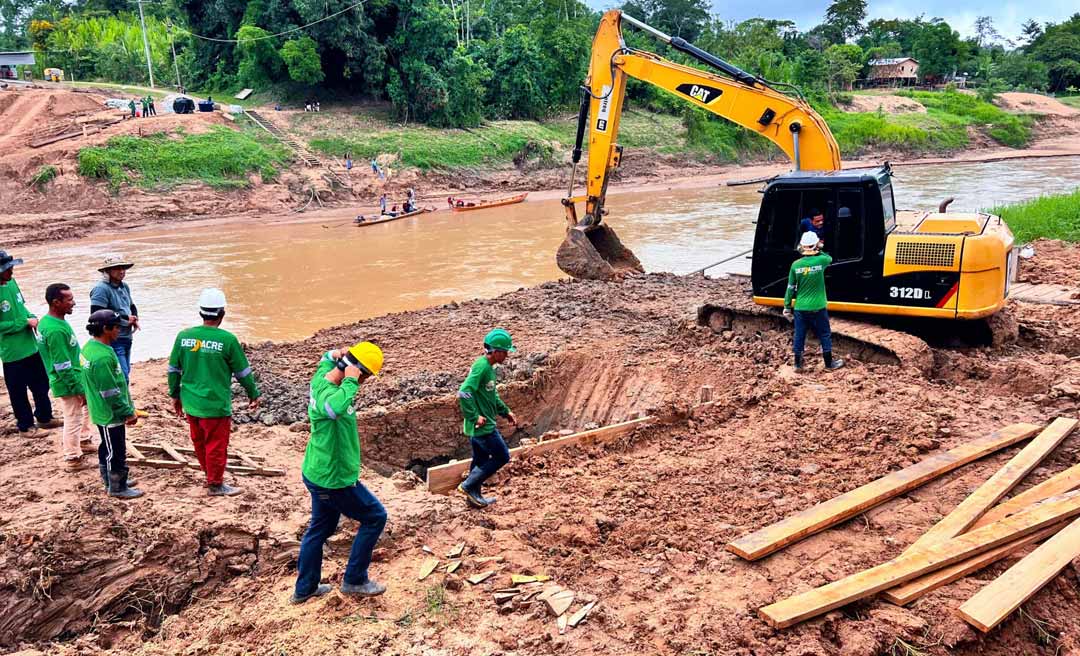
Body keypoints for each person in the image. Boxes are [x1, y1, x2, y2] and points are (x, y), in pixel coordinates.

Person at [292, 342, 387, 604]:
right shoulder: (331, 394)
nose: (364, 382)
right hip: (332, 478)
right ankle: (355, 579)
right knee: (375, 516)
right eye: (365, 376)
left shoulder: (322, 376)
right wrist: (351, 381)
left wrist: (336, 354)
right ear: (358, 372)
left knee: (320, 528)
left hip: (318, 470)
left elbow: (325, 357)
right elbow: (333, 409)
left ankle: (305, 589)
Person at [168, 288, 261, 497]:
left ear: (201, 312)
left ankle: (208, 474)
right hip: (215, 404)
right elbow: (243, 372)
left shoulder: (184, 337)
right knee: (216, 445)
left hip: (191, 401)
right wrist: (253, 393)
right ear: (222, 313)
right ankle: (215, 484)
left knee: (199, 441)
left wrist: (174, 395)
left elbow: (173, 369)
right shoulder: (227, 340)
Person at [82, 310, 143, 499]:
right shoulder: (102, 358)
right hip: (110, 413)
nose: (119, 330)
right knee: (115, 451)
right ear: (105, 329)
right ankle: (117, 487)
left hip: (100, 409)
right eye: (116, 327)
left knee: (106, 447)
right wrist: (127, 412)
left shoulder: (90, 348)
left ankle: (110, 480)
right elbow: (110, 392)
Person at [456, 328, 519, 508]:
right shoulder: (482, 367)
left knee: (481, 461)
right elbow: (464, 392)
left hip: (483, 425)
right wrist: (474, 417)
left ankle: (474, 498)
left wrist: (505, 411)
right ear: (496, 351)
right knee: (502, 456)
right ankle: (468, 486)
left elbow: (492, 395)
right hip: (483, 426)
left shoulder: (489, 368)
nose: (507, 356)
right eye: (505, 352)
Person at [0, 251, 58, 437]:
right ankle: (25, 426)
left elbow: (21, 306)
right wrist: (23, 323)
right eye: (7, 270)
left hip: (31, 346)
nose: (11, 272)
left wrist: (31, 316)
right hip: (12, 352)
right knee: (18, 392)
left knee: (42, 383)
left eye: (11, 268)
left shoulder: (11, 283)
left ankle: (44, 417)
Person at [38, 283, 95, 469]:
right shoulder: (55, 330)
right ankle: (72, 458)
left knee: (84, 411)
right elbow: (62, 365)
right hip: (67, 380)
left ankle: (84, 440)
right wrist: (77, 389)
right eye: (69, 300)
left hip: (74, 376)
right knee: (73, 417)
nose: (73, 303)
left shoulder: (50, 322)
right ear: (56, 302)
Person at [784, 232, 844, 373]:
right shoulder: (821, 261)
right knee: (824, 334)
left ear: (802, 247)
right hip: (818, 306)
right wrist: (819, 248)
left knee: (799, 335)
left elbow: (790, 287)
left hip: (800, 308)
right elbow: (829, 258)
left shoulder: (795, 265)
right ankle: (829, 364)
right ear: (815, 245)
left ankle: (798, 365)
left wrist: (787, 307)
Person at [90, 254, 139, 380]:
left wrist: (135, 318)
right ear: (107, 271)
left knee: (126, 371)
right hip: (113, 338)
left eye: (123, 268)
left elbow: (132, 306)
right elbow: (96, 315)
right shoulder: (101, 289)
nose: (121, 271)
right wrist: (124, 318)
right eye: (117, 268)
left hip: (126, 336)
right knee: (121, 375)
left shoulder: (124, 286)